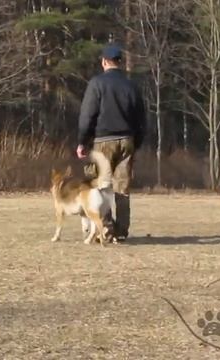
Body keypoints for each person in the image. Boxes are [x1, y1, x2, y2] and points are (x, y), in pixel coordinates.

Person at [76, 44, 146, 242]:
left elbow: (87, 114)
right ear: (120, 62)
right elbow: (141, 119)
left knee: (100, 185)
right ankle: (122, 231)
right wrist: (136, 142)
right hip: (127, 140)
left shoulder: (97, 84)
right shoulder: (131, 86)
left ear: (104, 61)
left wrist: (82, 141)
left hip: (103, 141)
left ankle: (105, 228)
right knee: (122, 187)